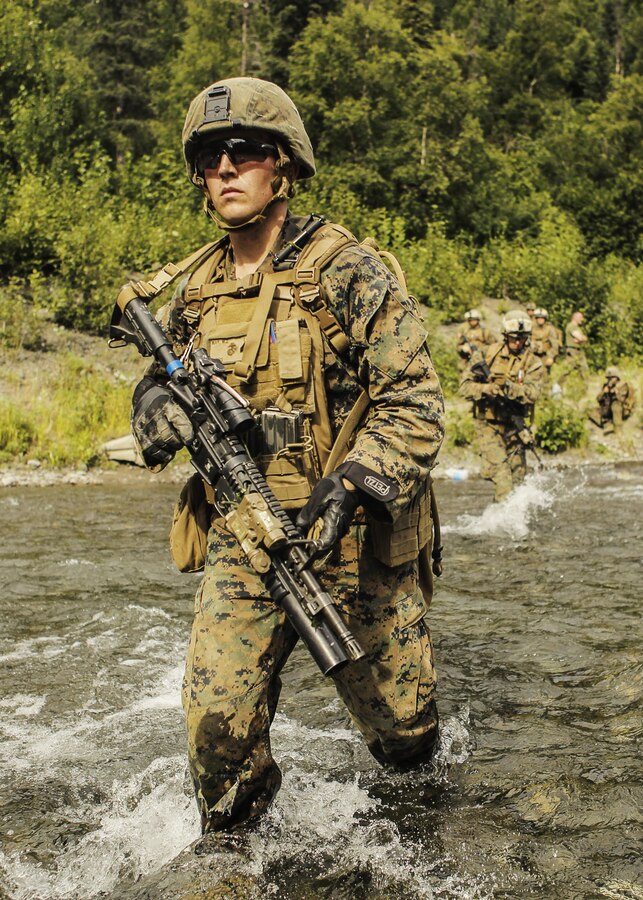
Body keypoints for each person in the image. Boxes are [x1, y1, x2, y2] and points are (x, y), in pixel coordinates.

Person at [128, 77, 445, 835]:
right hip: (244, 537)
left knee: (404, 742)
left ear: (284, 166)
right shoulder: (193, 289)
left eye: (243, 152)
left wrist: (353, 482)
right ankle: (239, 858)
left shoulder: (345, 270)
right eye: (209, 158)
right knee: (216, 735)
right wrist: (152, 409)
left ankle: (428, 829)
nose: (225, 169)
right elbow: (154, 380)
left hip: (351, 541)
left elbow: (416, 403)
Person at [460, 310, 544, 502]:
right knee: (503, 478)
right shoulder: (486, 355)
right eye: (514, 338)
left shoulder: (533, 362)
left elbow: (534, 393)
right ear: (505, 336)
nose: (518, 343)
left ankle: (506, 520)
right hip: (489, 426)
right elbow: (464, 388)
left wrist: (508, 387)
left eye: (523, 339)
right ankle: (499, 526)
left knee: (518, 480)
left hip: (515, 425)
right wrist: (487, 388)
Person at [589, 367, 635, 432]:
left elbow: (621, 400)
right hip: (608, 410)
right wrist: (603, 392)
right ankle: (607, 425)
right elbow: (598, 399)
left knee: (615, 404)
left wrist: (615, 393)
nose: (609, 380)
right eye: (608, 378)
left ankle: (618, 428)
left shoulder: (623, 386)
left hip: (622, 410)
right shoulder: (606, 386)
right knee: (591, 411)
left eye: (612, 378)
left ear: (617, 378)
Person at [530, 307, 560, 377]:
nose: (540, 319)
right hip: (531, 356)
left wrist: (551, 357)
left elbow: (555, 345)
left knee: (544, 377)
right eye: (538, 318)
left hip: (544, 356)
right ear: (535, 318)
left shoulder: (549, 329)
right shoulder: (530, 327)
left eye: (542, 318)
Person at [561, 310, 589, 380]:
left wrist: (582, 339)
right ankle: (558, 386)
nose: (582, 320)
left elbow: (584, 338)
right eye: (580, 317)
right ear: (575, 317)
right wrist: (581, 339)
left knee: (583, 369)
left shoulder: (577, 328)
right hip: (572, 350)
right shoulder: (571, 326)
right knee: (568, 370)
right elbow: (580, 337)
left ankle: (583, 387)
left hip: (578, 350)